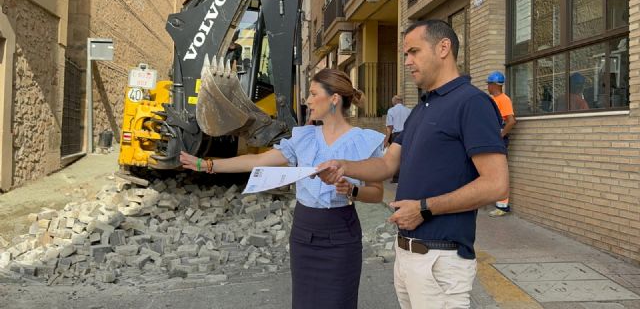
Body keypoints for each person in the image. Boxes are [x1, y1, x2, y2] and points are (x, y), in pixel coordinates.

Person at [317, 20, 509, 309]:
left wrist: (423, 208)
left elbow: (496, 184)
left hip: (440, 260)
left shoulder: (472, 103)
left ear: (443, 48)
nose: (407, 61)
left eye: (414, 52)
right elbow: (386, 165)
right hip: (407, 257)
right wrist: (342, 165)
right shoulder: (421, 109)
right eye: (406, 54)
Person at [180, 69, 385, 309]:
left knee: (339, 302)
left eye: (313, 93)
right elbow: (257, 161)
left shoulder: (364, 141)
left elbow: (377, 193)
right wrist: (208, 165)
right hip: (303, 233)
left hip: (341, 235)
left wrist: (351, 190)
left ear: (334, 99)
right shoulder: (303, 137)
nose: (307, 100)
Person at [486, 71, 516, 217]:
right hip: (492, 140)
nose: (487, 87)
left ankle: (503, 206)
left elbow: (511, 121)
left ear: (493, 85)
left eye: (488, 84)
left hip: (499, 141)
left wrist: (500, 136)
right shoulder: (494, 99)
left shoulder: (504, 100)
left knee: (500, 171)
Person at [384, 95, 411, 183]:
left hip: (396, 135)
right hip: (407, 134)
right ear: (401, 101)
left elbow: (390, 127)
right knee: (405, 156)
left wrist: (386, 140)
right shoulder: (408, 111)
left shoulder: (391, 111)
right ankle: (406, 176)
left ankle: (396, 178)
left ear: (394, 101)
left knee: (395, 157)